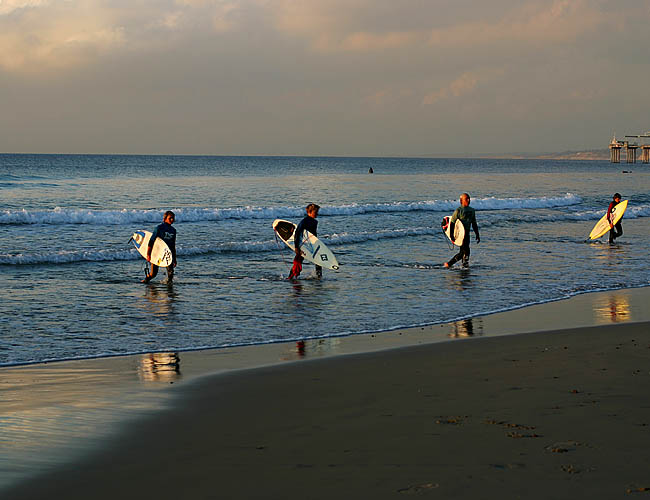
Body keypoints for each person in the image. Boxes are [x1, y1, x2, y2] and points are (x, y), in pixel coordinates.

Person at [444, 193, 480, 268]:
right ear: (461, 200)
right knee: (464, 251)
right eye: (466, 199)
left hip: (467, 234)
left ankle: (464, 266)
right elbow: (452, 223)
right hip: (460, 234)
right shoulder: (458, 211)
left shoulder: (472, 210)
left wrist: (477, 234)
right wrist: (451, 236)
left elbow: (474, 223)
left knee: (466, 252)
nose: (468, 200)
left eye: (469, 198)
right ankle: (449, 264)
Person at [142, 210, 177, 283]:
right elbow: (151, 241)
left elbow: (173, 245)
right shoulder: (159, 228)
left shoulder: (173, 230)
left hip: (167, 253)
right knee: (153, 274)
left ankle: (169, 289)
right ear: (165, 218)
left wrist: (174, 258)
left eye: (173, 218)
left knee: (171, 274)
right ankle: (145, 281)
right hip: (156, 252)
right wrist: (148, 254)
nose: (172, 220)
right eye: (170, 218)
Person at [294, 203, 322, 278]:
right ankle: (292, 276)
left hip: (312, 244)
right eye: (315, 212)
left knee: (318, 261)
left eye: (317, 212)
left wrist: (317, 244)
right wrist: (296, 247)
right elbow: (297, 233)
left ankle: (319, 276)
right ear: (309, 212)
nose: (317, 214)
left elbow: (314, 235)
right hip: (303, 244)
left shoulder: (314, 222)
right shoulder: (304, 221)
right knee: (298, 262)